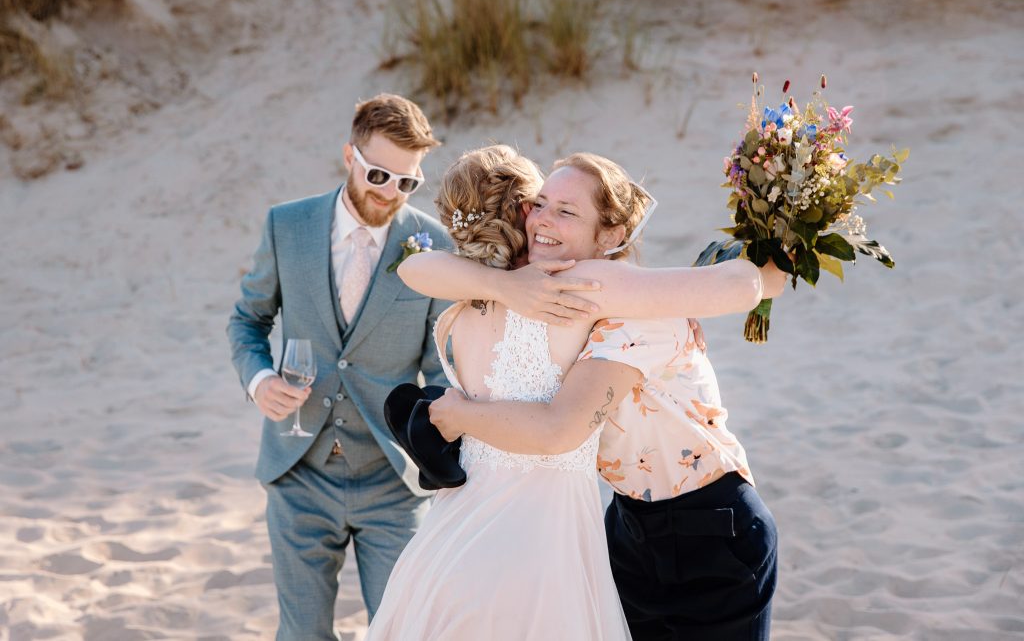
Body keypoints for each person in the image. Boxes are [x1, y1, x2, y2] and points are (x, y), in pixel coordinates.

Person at [405, 153, 783, 640]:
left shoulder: (626, 300)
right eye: (538, 204)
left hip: (713, 524)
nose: (541, 219)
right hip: (627, 525)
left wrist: (458, 414)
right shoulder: (549, 294)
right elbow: (418, 268)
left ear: (610, 234)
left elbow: (559, 429)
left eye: (566, 211)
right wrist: (504, 285)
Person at [366, 145, 633, 640]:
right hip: (539, 547)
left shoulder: (461, 305)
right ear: (522, 211)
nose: (544, 216)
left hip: (452, 538)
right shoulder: (565, 288)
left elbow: (414, 269)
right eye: (539, 203)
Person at [226, 93, 455, 640]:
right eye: (379, 174)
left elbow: (444, 369)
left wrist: (432, 440)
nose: (390, 192)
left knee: (401, 630)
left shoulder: (434, 246)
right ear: (349, 155)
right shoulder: (287, 226)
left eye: (407, 182)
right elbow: (247, 321)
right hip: (297, 471)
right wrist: (259, 381)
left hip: (392, 483)